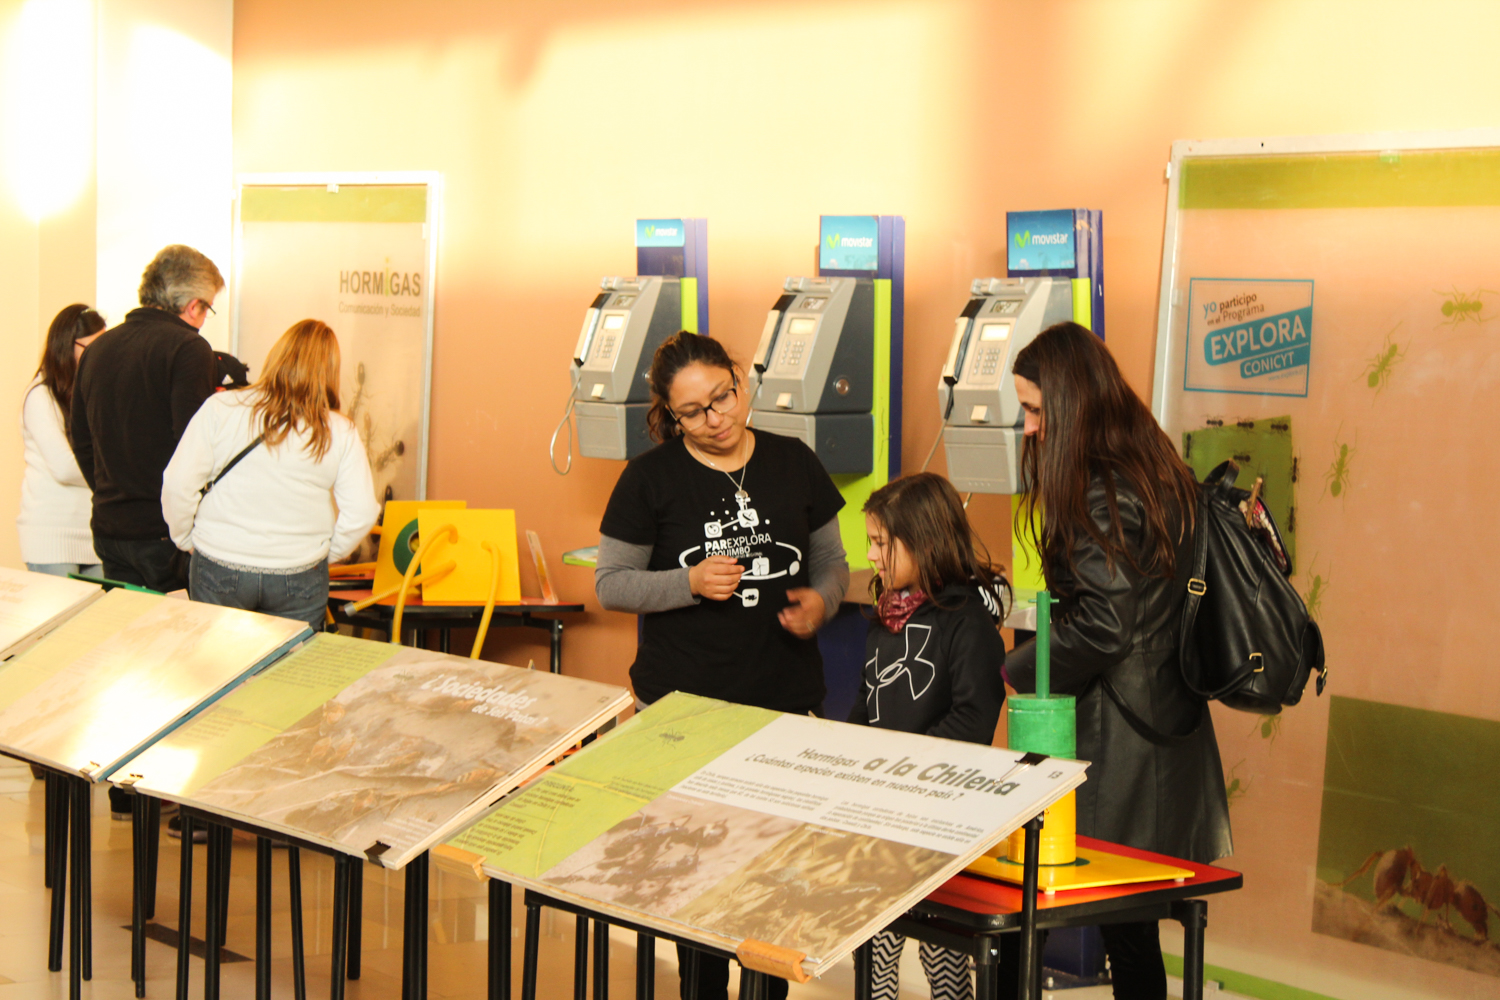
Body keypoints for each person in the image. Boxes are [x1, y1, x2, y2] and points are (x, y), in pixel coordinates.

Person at [595, 331, 850, 1000]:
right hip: (683, 714)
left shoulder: (794, 462)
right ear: (669, 416)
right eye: (694, 413)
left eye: (724, 397)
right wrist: (688, 583)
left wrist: (821, 604)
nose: (717, 418)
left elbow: (832, 563)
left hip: (783, 706)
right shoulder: (650, 478)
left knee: (771, 886)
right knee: (699, 884)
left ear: (741, 381)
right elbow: (612, 583)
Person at [1003, 322, 1231, 1000]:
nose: (1030, 427)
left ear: (1072, 403)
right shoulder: (1160, 468)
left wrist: (1020, 670)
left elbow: (1103, 627)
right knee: (1132, 930)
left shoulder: (1097, 492)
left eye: (1037, 409)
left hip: (1118, 737)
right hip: (1168, 723)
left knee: (1103, 921)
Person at [850, 472, 1008, 1000]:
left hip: (938, 820)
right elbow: (865, 705)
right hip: (876, 817)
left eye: (880, 544)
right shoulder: (883, 620)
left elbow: (973, 716)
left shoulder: (968, 625)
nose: (871, 556)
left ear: (923, 542)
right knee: (872, 947)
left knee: (943, 956)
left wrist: (901, 770)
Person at [162, 319, 379, 632]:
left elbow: (178, 485)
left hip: (219, 563)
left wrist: (184, 538)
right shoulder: (339, 430)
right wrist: (325, 554)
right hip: (298, 573)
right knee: (291, 674)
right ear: (329, 371)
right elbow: (361, 512)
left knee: (218, 669)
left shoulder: (221, 408)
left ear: (277, 355)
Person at [70, 245, 222, 592]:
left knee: (125, 640)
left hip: (110, 527)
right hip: (164, 533)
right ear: (193, 304)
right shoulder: (189, 348)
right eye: (207, 308)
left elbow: (80, 438)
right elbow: (193, 446)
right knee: (177, 641)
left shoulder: (98, 349)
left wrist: (111, 491)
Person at [18, 304, 107, 578]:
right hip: (52, 535)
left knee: (100, 619)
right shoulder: (40, 395)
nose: (99, 356)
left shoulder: (90, 392)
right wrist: (114, 472)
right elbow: (65, 467)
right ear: (67, 346)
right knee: (59, 620)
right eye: (92, 348)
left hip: (92, 530)